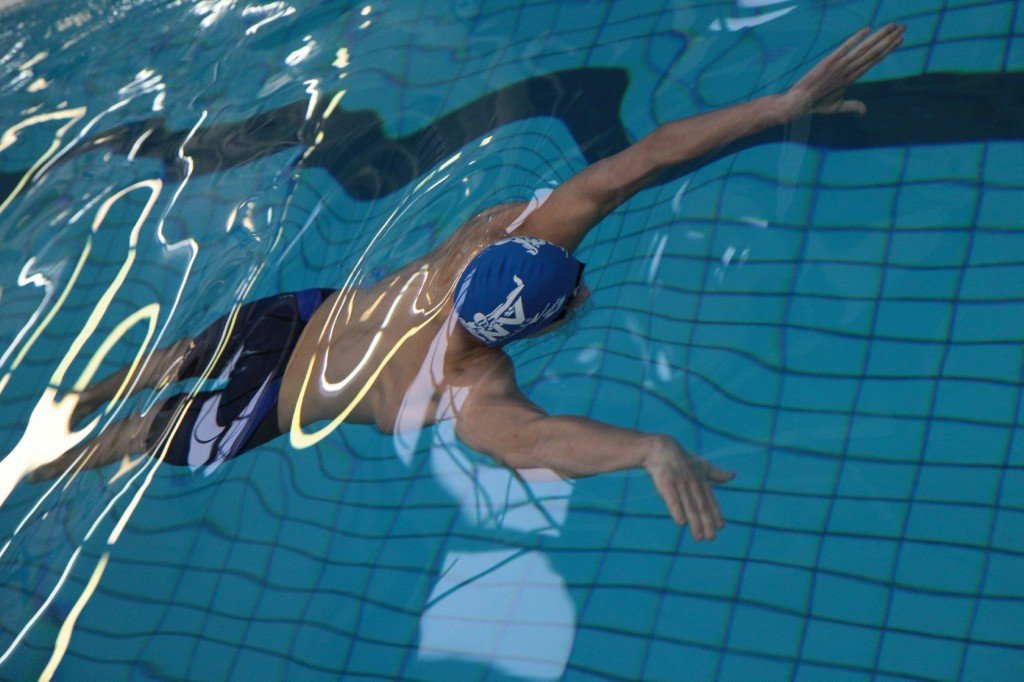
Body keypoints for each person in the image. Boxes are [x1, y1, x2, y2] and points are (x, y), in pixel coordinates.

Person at [32, 25, 905, 541]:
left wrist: (778, 107)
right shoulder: (469, 384)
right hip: (271, 407)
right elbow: (534, 442)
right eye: (575, 294)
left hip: (301, 315)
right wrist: (644, 448)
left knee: (173, 359)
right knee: (140, 436)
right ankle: (40, 466)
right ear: (534, 323)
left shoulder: (491, 236)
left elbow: (636, 163)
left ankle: (70, 403)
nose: (584, 292)